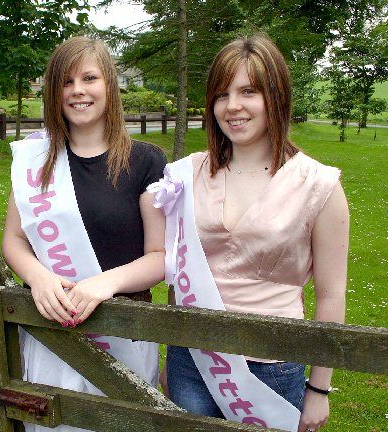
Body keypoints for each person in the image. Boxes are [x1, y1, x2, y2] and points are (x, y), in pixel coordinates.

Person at [153, 35, 349, 432]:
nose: (233, 106)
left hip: (271, 369)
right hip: (192, 360)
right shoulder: (187, 173)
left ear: (276, 96)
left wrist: (319, 390)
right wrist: (172, 354)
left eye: (249, 91)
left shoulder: (319, 186)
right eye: (222, 94)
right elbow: (180, 272)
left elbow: (331, 296)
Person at [2, 36, 167, 432]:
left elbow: (160, 256)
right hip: (52, 333)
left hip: (124, 332)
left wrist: (101, 284)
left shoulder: (146, 160)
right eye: (66, 81)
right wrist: (39, 278)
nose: (78, 90)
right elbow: (14, 239)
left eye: (89, 78)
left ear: (109, 84)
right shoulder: (36, 160)